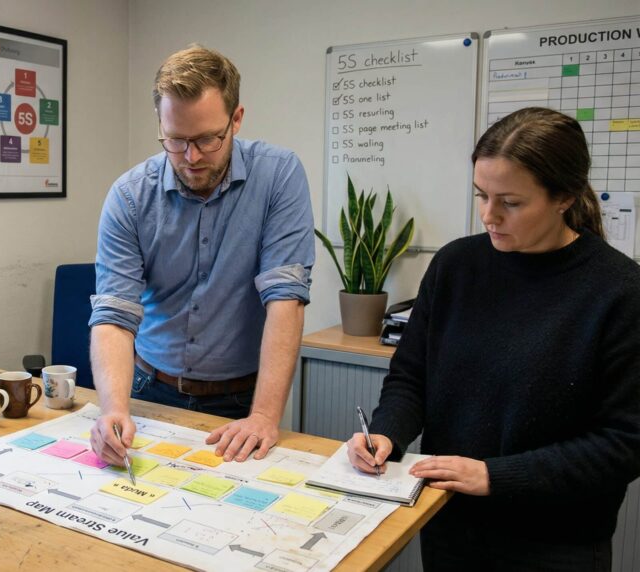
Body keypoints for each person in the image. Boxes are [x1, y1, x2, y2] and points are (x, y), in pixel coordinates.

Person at [348, 107, 640, 571]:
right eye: (482, 195)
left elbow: (625, 443)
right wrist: (387, 431)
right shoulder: (455, 266)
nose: (488, 215)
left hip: (556, 543)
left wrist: (495, 476)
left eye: (511, 202)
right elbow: (412, 376)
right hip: (450, 523)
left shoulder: (619, 291)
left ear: (564, 196)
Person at [88, 45, 315, 468]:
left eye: (208, 139)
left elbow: (286, 299)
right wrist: (113, 409)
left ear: (237, 119)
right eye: (176, 140)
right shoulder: (129, 196)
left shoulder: (279, 176)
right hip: (148, 389)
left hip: (241, 401)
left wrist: (264, 416)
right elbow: (115, 314)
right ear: (160, 123)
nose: (191, 158)